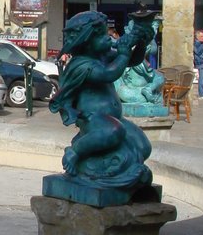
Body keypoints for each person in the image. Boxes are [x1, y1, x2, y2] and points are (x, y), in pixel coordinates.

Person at [49, 10, 154, 190]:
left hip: (113, 118)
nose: (107, 38)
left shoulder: (102, 55)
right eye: (101, 36)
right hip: (93, 118)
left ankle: (117, 172)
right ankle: (75, 152)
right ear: (86, 42)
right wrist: (122, 53)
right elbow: (108, 74)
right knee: (114, 131)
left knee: (143, 146)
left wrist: (141, 43)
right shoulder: (81, 65)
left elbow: (133, 61)